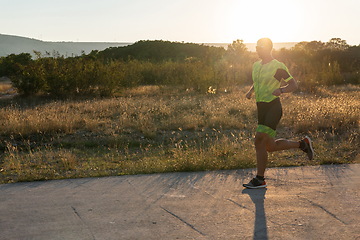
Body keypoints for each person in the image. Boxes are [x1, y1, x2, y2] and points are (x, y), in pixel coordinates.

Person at [243, 38, 314, 189]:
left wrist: (281, 90)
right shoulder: (256, 65)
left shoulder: (278, 66)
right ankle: (303, 144)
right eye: (256, 46)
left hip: (273, 108)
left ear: (269, 48)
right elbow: (258, 81)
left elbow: (293, 84)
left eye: (260, 47)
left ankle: (260, 179)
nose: (257, 49)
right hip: (261, 108)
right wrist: (250, 91)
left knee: (259, 141)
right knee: (270, 146)